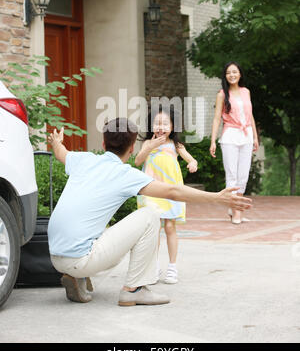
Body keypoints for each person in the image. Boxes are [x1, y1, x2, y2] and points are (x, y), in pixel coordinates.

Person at [48, 117, 251, 306]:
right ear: (131, 149)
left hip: (54, 256)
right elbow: (172, 190)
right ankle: (134, 290)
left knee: (98, 224)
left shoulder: (84, 160)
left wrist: (57, 140)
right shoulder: (125, 174)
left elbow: (60, 152)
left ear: (103, 144)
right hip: (80, 259)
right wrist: (217, 198)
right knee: (151, 214)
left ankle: (77, 277)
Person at [135, 105, 198, 285]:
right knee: (153, 230)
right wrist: (151, 146)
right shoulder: (147, 143)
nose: (161, 127)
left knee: (170, 227)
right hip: (151, 190)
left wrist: (193, 164)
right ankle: (153, 267)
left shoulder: (175, 145)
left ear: (172, 126)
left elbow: (191, 158)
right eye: (157, 123)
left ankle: (172, 267)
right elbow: (138, 160)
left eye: (165, 123)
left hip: (171, 191)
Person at [209, 62, 259, 224]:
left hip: (246, 135)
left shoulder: (246, 92)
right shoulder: (222, 94)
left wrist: (256, 137)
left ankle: (235, 208)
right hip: (230, 135)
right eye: (228, 73)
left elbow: (250, 116)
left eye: (235, 72)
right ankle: (237, 212)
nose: (232, 75)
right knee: (232, 174)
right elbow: (217, 118)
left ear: (240, 74)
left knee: (243, 175)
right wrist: (213, 141)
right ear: (225, 76)